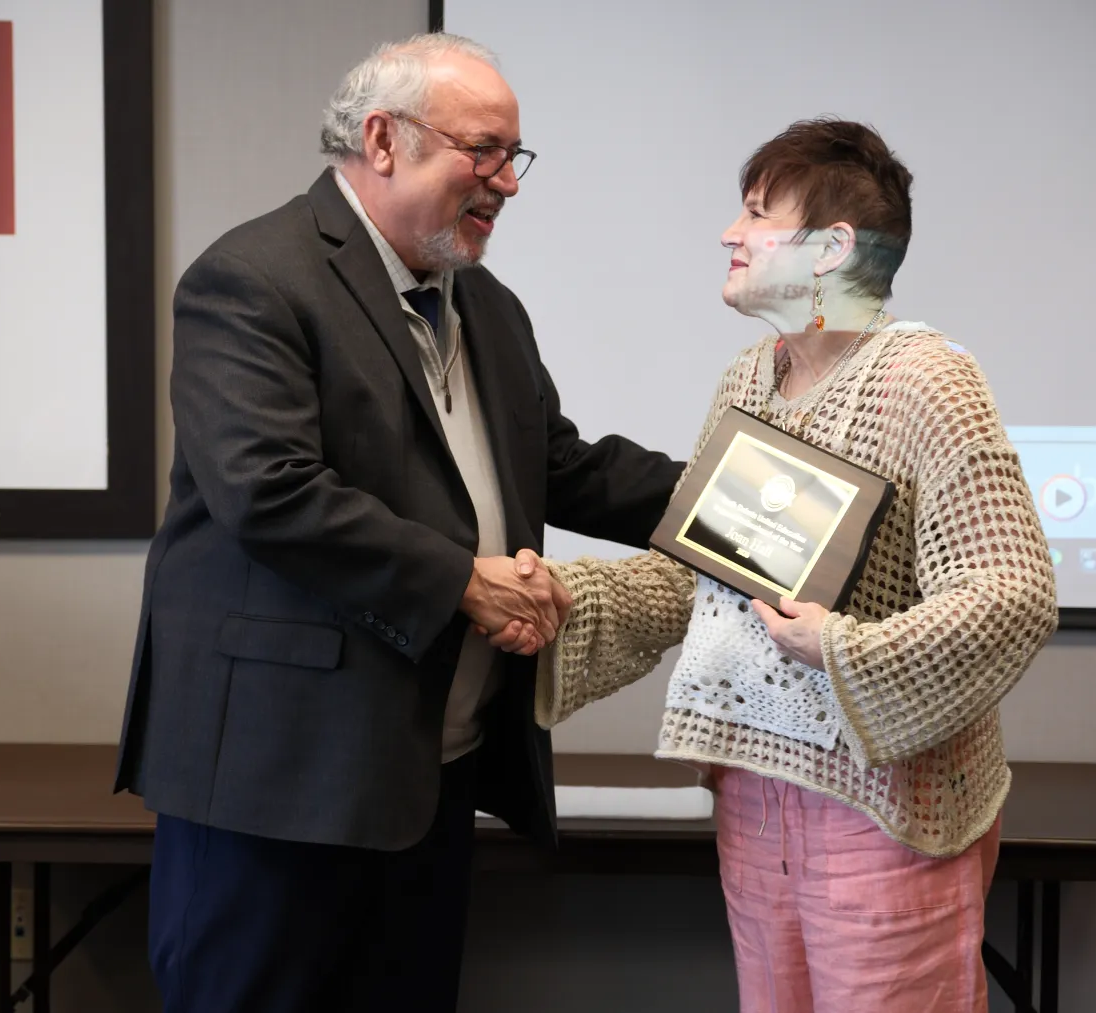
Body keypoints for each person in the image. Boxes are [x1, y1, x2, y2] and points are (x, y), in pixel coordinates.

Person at [112, 32, 684, 1013]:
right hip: (277, 781)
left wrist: (764, 513)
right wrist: (464, 579)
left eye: (515, 157)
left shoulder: (487, 306)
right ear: (383, 140)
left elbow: (564, 468)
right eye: (484, 151)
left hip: (427, 779)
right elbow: (269, 489)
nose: (506, 182)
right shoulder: (252, 278)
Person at [514, 118, 1059, 1013]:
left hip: (885, 811)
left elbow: (1011, 592)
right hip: (755, 800)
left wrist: (838, 647)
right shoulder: (746, 378)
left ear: (832, 248)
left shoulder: (926, 379)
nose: (731, 232)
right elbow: (707, 577)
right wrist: (560, 595)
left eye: (758, 212)